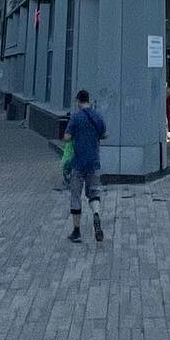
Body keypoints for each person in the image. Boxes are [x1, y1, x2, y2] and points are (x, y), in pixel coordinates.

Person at [64, 88, 106, 244]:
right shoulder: (97, 116)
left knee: (75, 195)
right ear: (89, 100)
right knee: (94, 192)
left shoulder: (76, 117)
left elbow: (67, 137)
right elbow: (104, 134)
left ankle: (76, 231)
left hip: (78, 162)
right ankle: (96, 214)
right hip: (93, 161)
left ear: (78, 101)